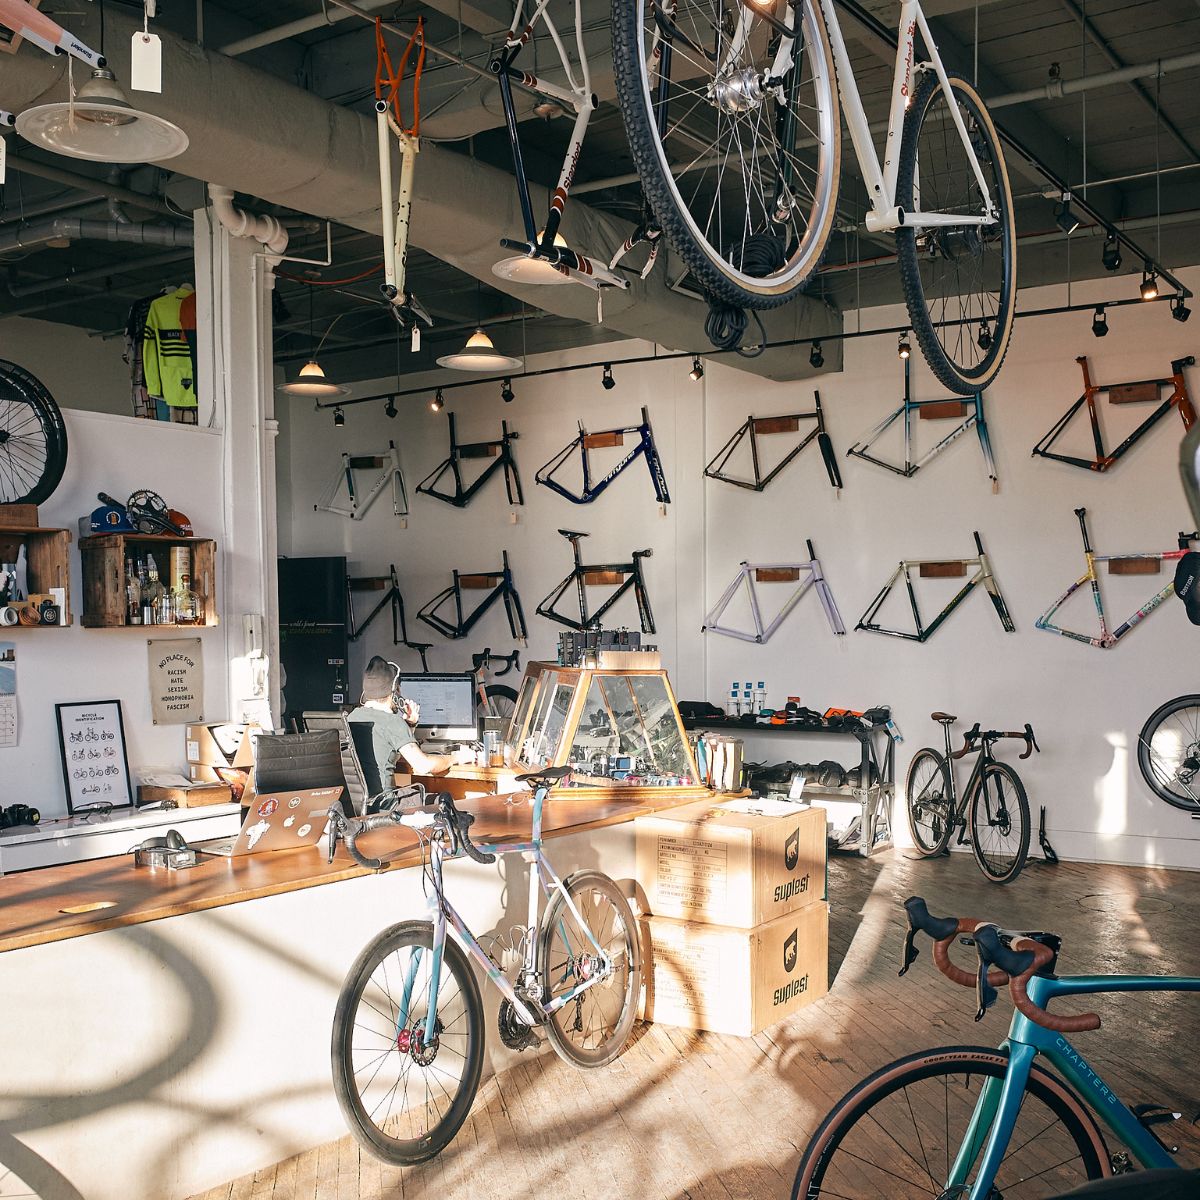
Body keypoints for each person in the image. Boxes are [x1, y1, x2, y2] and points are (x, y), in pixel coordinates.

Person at [348, 656, 472, 789]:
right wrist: (456, 757)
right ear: (395, 693)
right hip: (385, 804)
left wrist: (410, 724)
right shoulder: (392, 722)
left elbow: (386, 750)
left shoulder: (351, 717)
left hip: (359, 805)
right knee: (443, 799)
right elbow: (423, 766)